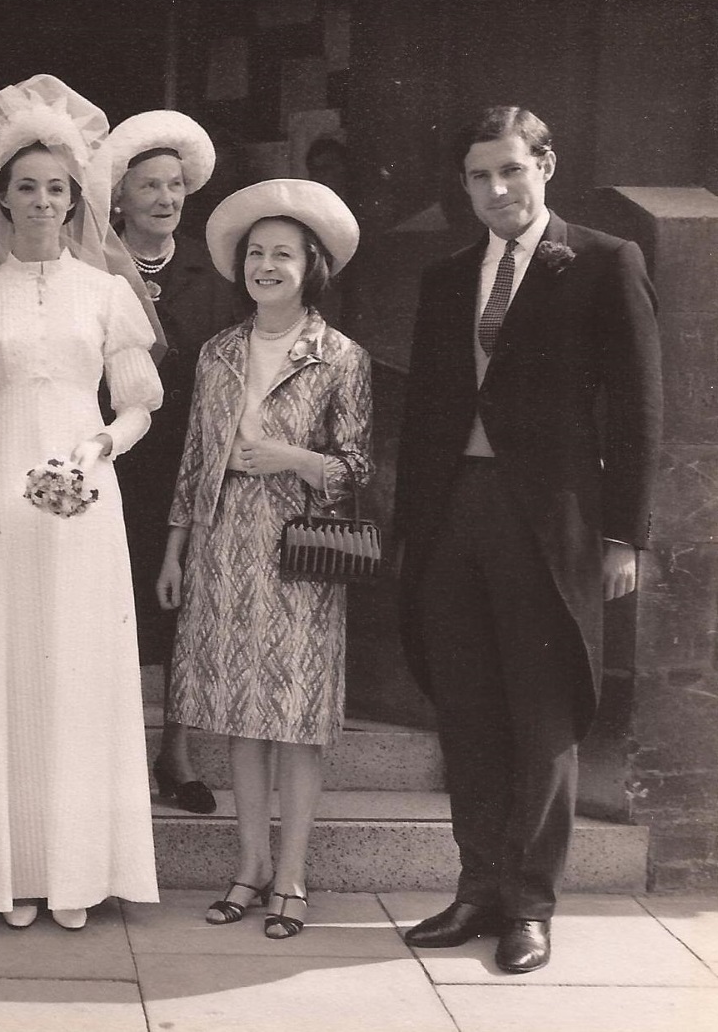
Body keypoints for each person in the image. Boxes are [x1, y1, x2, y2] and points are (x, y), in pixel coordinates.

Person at [396, 106, 661, 974]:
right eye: (479, 175)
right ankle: (477, 890)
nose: (497, 189)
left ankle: (530, 905)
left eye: (511, 169)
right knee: (468, 711)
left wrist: (624, 536)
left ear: (546, 165)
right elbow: (424, 411)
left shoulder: (604, 261)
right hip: (454, 515)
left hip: (550, 525)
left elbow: (639, 409)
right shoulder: (447, 277)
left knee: (543, 712)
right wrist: (414, 531)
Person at [0, 75, 163, 931]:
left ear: (77, 201)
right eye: (27, 187)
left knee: (77, 669)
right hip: (5, 498)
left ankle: (79, 869)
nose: (43, 201)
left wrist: (101, 444)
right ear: (1, 197)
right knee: (14, 670)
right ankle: (16, 871)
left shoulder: (106, 294)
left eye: (57, 189)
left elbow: (138, 403)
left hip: (84, 494)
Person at [157, 179, 372, 939]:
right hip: (222, 548)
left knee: (297, 719)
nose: (267, 266)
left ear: (312, 267)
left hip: (300, 553)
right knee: (241, 718)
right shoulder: (218, 352)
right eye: (256, 253)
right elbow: (193, 458)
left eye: (284, 254)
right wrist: (176, 550)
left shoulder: (340, 357)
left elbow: (357, 469)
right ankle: (249, 868)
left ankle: (292, 876)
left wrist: (293, 458)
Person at [102, 110, 237, 815]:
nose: (165, 198)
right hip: (110, 459)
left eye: (175, 186)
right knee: (108, 604)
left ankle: (175, 751)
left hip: (188, 462)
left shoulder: (210, 273)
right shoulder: (92, 264)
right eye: (149, 185)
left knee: (185, 607)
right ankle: (112, 748)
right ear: (119, 197)